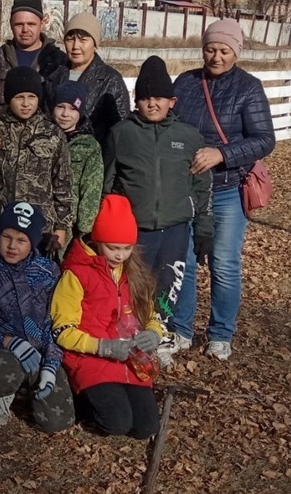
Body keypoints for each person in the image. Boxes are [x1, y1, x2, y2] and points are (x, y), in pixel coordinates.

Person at [171, 19, 276, 361]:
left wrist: (222, 154)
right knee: (182, 260)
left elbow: (264, 139)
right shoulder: (186, 83)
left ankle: (220, 333)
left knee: (224, 261)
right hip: (187, 188)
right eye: (210, 49)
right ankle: (181, 328)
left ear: (236, 52)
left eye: (224, 51)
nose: (216, 57)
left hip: (228, 187)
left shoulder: (249, 88)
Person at [104, 56, 212, 367]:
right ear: (136, 101)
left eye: (159, 98)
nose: (152, 104)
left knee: (167, 286)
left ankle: (161, 338)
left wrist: (204, 230)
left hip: (175, 228)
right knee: (132, 284)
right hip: (134, 229)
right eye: (145, 98)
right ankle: (130, 335)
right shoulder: (122, 133)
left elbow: (201, 187)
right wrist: (108, 224)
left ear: (171, 101)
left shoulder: (188, 136)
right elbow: (109, 184)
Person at [52, 194, 162, 439]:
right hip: (91, 358)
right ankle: (79, 397)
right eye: (112, 247)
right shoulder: (77, 274)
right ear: (98, 240)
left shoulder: (134, 274)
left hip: (130, 360)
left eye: (126, 248)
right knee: (116, 424)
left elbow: (151, 313)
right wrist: (101, 347)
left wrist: (154, 333)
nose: (120, 255)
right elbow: (62, 329)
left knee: (145, 427)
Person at [0, 201, 74, 433]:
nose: (12, 246)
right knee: (1, 369)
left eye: (22, 240)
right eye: (7, 237)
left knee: (58, 423)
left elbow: (57, 323)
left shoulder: (48, 272)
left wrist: (51, 365)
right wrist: (9, 341)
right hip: (5, 347)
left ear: (33, 242)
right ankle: (3, 394)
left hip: (43, 348)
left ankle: (34, 386)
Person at [0, 66, 73, 258]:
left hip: (40, 225)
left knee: (36, 280)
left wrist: (61, 226)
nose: (25, 103)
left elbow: (62, 183)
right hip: (4, 223)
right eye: (19, 97)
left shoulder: (53, 134)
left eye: (31, 97)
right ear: (8, 99)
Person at [43, 12, 129, 145]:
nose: (75, 46)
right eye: (70, 39)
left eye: (83, 40)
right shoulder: (53, 75)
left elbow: (121, 130)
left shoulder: (111, 81)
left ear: (95, 44)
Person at [0, 0, 67, 108]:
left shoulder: (58, 61)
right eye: (19, 24)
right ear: (11, 24)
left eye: (31, 24)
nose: (25, 30)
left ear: (42, 24)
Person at [50, 81, 102, 254]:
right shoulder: (42, 138)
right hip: (40, 218)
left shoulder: (89, 146)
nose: (65, 114)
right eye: (60, 107)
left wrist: (84, 229)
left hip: (70, 227)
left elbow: (91, 190)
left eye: (73, 109)